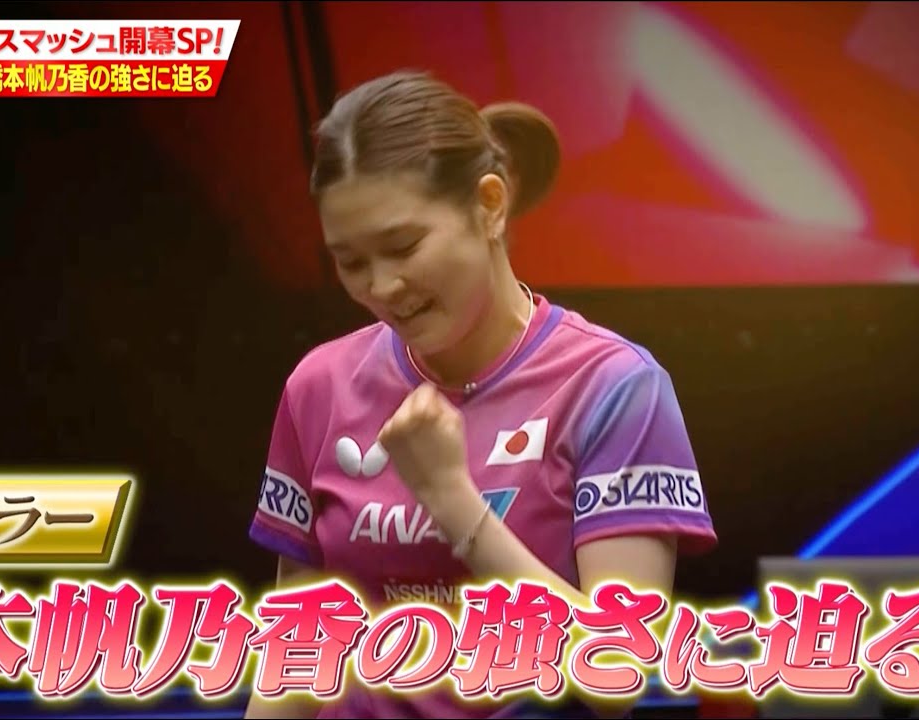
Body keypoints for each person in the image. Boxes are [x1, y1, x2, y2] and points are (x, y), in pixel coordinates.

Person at [244, 70, 717, 719]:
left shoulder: (613, 387)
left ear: (490, 205)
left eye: (403, 246)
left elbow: (616, 674)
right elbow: (297, 664)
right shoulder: (318, 386)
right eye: (350, 262)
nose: (381, 286)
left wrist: (450, 499)